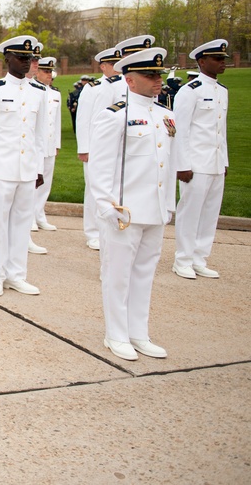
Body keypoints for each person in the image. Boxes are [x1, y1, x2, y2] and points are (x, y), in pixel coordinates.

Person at [89, 47, 174, 361]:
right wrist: (105, 205)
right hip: (124, 212)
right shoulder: (115, 115)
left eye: (158, 75)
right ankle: (116, 334)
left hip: (153, 210)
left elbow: (167, 164)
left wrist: (168, 205)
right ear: (129, 79)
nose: (156, 80)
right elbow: (100, 165)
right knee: (118, 274)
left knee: (144, 274)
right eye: (150, 75)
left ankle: (139, 332)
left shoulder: (166, 115)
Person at [0, 35, 46, 297]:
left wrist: (38, 168)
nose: (26, 62)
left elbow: (39, 136)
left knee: (21, 223)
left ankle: (17, 275)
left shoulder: (39, 92)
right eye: (21, 57)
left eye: (29, 57)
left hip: (27, 169)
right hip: (0, 170)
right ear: (8, 59)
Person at [77, 36, 153, 251]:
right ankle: (93, 232)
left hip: (131, 148)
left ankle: (123, 226)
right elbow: (87, 119)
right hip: (101, 148)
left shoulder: (138, 84)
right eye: (112, 63)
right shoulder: (100, 87)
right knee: (96, 191)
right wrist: (85, 148)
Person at [172, 39, 230, 279]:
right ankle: (182, 259)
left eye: (223, 59)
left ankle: (199, 258)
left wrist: (224, 161)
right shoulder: (190, 91)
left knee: (210, 213)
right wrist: (182, 165)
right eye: (217, 59)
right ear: (202, 61)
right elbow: (180, 130)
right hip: (195, 163)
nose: (222, 63)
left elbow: (220, 130)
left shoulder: (222, 91)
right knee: (190, 211)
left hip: (215, 161)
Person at [32, 56, 61, 232]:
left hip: (49, 145)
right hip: (36, 145)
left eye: (50, 71)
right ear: (37, 72)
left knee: (46, 183)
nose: (49, 74)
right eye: (45, 71)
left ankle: (39, 214)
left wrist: (56, 143)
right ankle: (30, 218)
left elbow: (56, 122)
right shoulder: (34, 91)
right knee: (34, 182)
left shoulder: (55, 93)